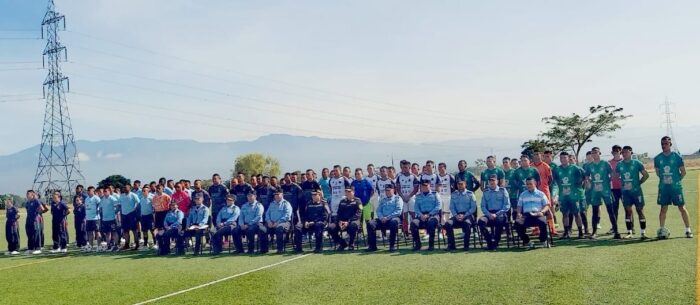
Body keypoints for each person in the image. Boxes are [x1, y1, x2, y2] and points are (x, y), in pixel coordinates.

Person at [654, 136, 692, 238]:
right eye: (662, 144)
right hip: (663, 188)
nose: (664, 145)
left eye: (666, 143)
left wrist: (676, 181)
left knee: (682, 208)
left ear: (670, 144)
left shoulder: (677, 156)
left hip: (676, 188)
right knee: (663, 209)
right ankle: (662, 230)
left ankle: (688, 230)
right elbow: (658, 173)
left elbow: (683, 172)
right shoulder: (657, 158)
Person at [616, 146, 650, 239]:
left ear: (631, 152)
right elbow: (616, 176)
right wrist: (622, 182)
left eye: (626, 152)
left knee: (640, 210)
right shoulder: (619, 164)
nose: (624, 154)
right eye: (623, 152)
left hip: (636, 192)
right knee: (628, 211)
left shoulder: (637, 163)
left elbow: (646, 175)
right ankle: (629, 232)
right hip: (625, 193)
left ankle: (643, 233)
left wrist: (639, 183)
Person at [584, 147, 617, 239]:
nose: (594, 154)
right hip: (595, 191)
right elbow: (586, 176)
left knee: (610, 211)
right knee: (594, 212)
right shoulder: (589, 165)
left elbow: (612, 174)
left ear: (599, 153)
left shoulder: (605, 163)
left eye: (596, 152)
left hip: (606, 190)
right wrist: (589, 181)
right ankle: (594, 232)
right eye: (592, 153)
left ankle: (616, 232)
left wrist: (607, 180)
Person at [553, 152, 586, 239]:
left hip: (573, 196)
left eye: (564, 157)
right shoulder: (557, 169)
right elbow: (554, 182)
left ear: (568, 158)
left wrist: (579, 187)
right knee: (565, 214)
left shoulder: (575, 168)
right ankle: (566, 232)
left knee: (577, 214)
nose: (563, 159)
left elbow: (583, 177)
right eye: (561, 158)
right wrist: (556, 194)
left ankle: (580, 232)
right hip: (563, 196)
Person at [515, 177, 551, 249]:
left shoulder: (541, 194)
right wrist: (518, 213)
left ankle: (543, 240)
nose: (529, 186)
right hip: (526, 215)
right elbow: (519, 206)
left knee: (543, 223)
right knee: (517, 224)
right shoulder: (523, 194)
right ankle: (528, 241)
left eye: (530, 184)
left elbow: (547, 205)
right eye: (527, 184)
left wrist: (542, 212)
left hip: (538, 214)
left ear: (535, 184)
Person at [366, 184, 403, 252]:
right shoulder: (383, 199)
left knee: (393, 222)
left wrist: (387, 218)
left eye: (389, 190)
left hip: (393, 218)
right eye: (386, 190)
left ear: (393, 190)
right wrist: (381, 217)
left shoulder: (397, 198)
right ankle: (372, 246)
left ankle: (392, 246)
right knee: (370, 223)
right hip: (382, 219)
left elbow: (398, 211)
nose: (387, 192)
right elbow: (378, 210)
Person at [478, 176, 510, 250]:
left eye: (493, 180)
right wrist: (489, 214)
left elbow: (507, 205)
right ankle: (489, 241)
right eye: (490, 181)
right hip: (489, 213)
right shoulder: (485, 192)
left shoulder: (503, 190)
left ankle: (496, 243)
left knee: (499, 221)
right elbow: (483, 206)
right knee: (481, 221)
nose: (491, 182)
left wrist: (496, 214)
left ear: (497, 181)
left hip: (500, 213)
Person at [445, 180, 477, 251]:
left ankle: (466, 245)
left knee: (467, 223)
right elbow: (452, 207)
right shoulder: (454, 194)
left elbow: (473, 207)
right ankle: (451, 245)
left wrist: (464, 215)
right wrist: (456, 215)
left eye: (461, 184)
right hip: (457, 215)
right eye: (458, 184)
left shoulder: (470, 194)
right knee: (448, 224)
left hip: (468, 215)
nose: (460, 185)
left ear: (465, 185)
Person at [329, 186, 362, 251]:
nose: (347, 193)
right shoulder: (342, 201)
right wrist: (339, 221)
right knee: (331, 227)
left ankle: (351, 244)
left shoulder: (358, 201)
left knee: (353, 226)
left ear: (353, 192)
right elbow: (339, 213)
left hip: (353, 221)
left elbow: (359, 213)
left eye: (349, 191)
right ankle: (342, 243)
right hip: (342, 221)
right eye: (346, 191)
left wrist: (348, 222)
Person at [410, 180, 441, 251]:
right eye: (423, 186)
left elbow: (438, 206)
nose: (424, 187)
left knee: (431, 223)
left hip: (433, 215)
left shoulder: (435, 194)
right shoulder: (418, 196)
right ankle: (418, 244)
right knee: (413, 223)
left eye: (426, 186)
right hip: (421, 216)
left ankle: (431, 245)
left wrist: (429, 214)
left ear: (429, 185)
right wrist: (421, 215)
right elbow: (416, 208)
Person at [532, 151, 556, 236]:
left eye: (538, 156)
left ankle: (552, 229)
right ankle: (536, 229)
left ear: (541, 157)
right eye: (535, 156)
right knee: (535, 209)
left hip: (544, 191)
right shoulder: (531, 166)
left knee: (548, 210)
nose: (537, 158)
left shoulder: (545, 166)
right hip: (534, 192)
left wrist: (544, 185)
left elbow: (550, 179)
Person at [265, 189, 293, 254]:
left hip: (284, 223)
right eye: (275, 194)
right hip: (271, 223)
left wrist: (278, 222)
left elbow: (287, 215)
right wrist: (268, 221)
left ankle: (280, 249)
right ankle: (264, 249)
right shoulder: (272, 204)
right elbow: (267, 214)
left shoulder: (286, 203)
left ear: (282, 194)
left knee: (279, 229)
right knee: (262, 229)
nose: (276, 196)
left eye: (278, 194)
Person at [396, 160, 419, 233]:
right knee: (405, 216)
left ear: (409, 167)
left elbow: (416, 189)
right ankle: (406, 232)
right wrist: (403, 197)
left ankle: (415, 230)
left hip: (411, 198)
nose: (404, 169)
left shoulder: (413, 177)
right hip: (403, 199)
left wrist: (409, 196)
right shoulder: (399, 177)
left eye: (406, 167)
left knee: (413, 214)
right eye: (403, 167)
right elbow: (398, 189)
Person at [119, 185, 141, 250]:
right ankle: (126, 244)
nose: (124, 188)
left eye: (126, 187)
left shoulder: (133, 195)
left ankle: (137, 244)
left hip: (131, 214)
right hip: (124, 215)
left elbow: (138, 203)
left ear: (130, 188)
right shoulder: (121, 196)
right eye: (124, 187)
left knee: (134, 230)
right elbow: (119, 204)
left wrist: (135, 210)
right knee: (125, 231)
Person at [24, 190, 46, 255]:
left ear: (32, 195)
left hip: (35, 220)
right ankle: (31, 248)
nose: (27, 195)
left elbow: (42, 208)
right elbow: (27, 210)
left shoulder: (36, 200)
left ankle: (38, 248)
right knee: (29, 234)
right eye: (26, 194)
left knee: (36, 233)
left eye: (28, 194)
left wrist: (36, 214)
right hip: (29, 220)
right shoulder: (27, 202)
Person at [608, 145, 624, 235]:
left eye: (617, 151)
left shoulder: (624, 161)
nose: (616, 152)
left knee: (627, 208)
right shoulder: (609, 162)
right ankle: (614, 227)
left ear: (621, 151)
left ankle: (631, 227)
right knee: (614, 209)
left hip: (624, 188)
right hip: (613, 189)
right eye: (614, 151)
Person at [99, 187, 120, 251]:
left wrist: (115, 212)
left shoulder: (112, 198)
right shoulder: (102, 199)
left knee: (114, 232)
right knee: (107, 233)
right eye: (104, 191)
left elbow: (118, 206)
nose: (105, 192)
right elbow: (100, 208)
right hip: (105, 219)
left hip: (112, 219)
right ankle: (109, 245)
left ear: (109, 191)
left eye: (106, 191)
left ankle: (116, 245)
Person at [84, 187, 101, 251]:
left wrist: (98, 210)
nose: (88, 192)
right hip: (88, 219)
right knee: (89, 233)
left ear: (93, 191)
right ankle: (91, 246)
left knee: (97, 232)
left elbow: (100, 205)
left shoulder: (96, 198)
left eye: (89, 190)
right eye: (87, 191)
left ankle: (99, 246)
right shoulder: (86, 199)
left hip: (95, 218)